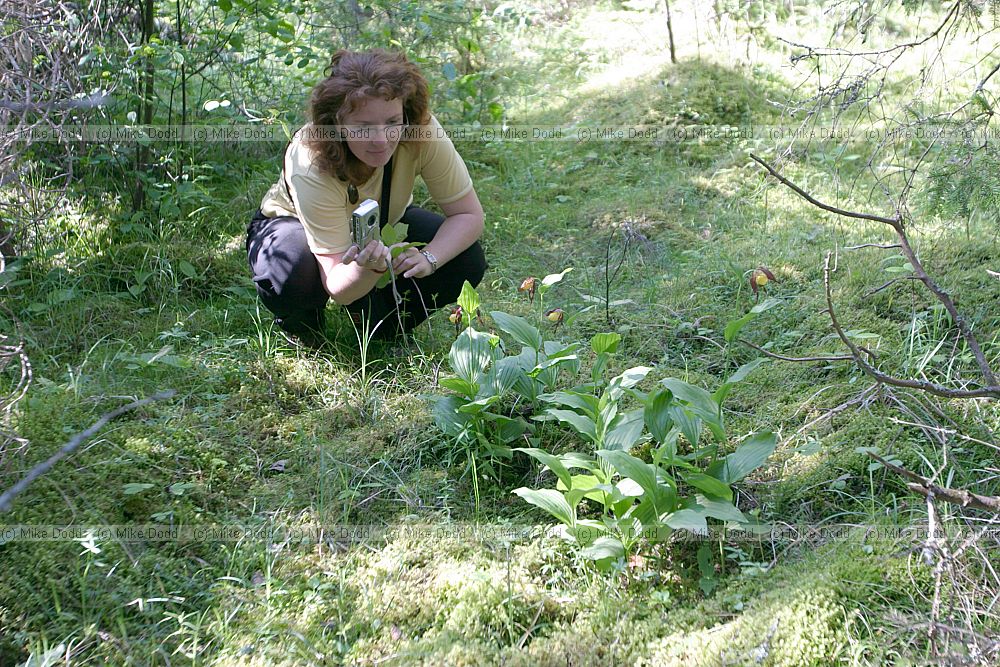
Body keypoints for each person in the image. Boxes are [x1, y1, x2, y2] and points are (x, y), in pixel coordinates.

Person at [246, 49, 487, 346]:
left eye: (392, 122)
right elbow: (337, 284)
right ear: (337, 121)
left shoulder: (421, 130)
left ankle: (384, 328)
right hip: (294, 227)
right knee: (291, 270)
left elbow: (468, 215)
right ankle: (305, 326)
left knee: (466, 259)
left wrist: (429, 259)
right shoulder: (310, 157)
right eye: (363, 127)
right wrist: (369, 268)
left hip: (382, 222)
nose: (381, 139)